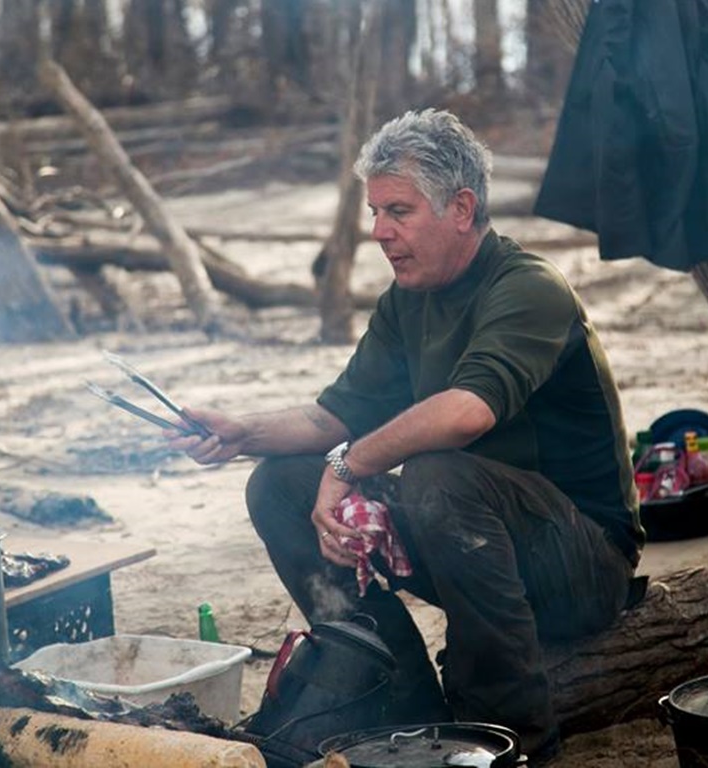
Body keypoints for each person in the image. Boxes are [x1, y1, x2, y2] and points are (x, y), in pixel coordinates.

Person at [169, 108, 644, 763]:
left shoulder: (528, 286)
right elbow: (330, 420)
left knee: (435, 473)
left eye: (398, 211)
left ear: (461, 207)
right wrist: (238, 431)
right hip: (469, 537)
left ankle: (507, 739)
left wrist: (347, 464)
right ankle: (399, 698)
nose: (378, 233)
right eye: (375, 213)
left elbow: (467, 412)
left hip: (581, 563)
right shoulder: (407, 299)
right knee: (280, 482)